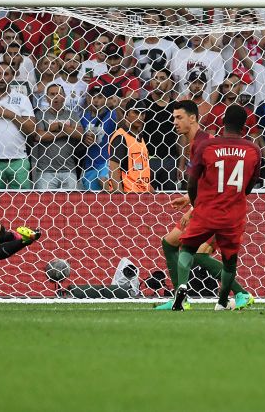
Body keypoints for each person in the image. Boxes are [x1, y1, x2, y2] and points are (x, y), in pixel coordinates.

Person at [154, 100, 254, 310]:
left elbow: (223, 182)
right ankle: (180, 297)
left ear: (193, 118)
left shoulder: (206, 143)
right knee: (170, 242)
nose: (175, 122)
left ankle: (241, 293)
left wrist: (193, 209)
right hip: (210, 206)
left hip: (218, 210)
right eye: (173, 118)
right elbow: (210, 179)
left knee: (197, 253)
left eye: (179, 117)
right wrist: (190, 200)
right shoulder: (197, 143)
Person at [0, 63, 37, 190]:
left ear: (12, 76)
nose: (2, 77)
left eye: (6, 74)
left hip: (19, 161)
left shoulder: (22, 99)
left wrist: (10, 115)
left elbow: (32, 130)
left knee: (23, 204)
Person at [106, 100, 152, 193]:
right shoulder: (121, 138)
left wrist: (152, 193)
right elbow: (114, 170)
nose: (140, 116)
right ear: (126, 114)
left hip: (142, 194)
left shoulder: (140, 137)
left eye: (143, 113)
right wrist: (121, 199)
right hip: (128, 196)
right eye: (136, 112)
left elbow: (141, 172)